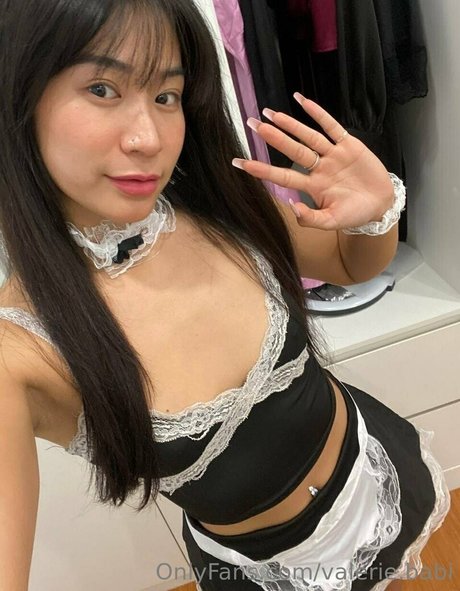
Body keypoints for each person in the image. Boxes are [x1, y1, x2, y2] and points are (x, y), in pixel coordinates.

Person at [0, 1, 451, 590]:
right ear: (19, 95)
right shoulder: (19, 354)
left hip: (374, 470)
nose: (149, 138)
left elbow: (348, 262)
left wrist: (373, 214)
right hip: (265, 573)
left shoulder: (218, 203)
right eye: (103, 89)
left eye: (166, 96)